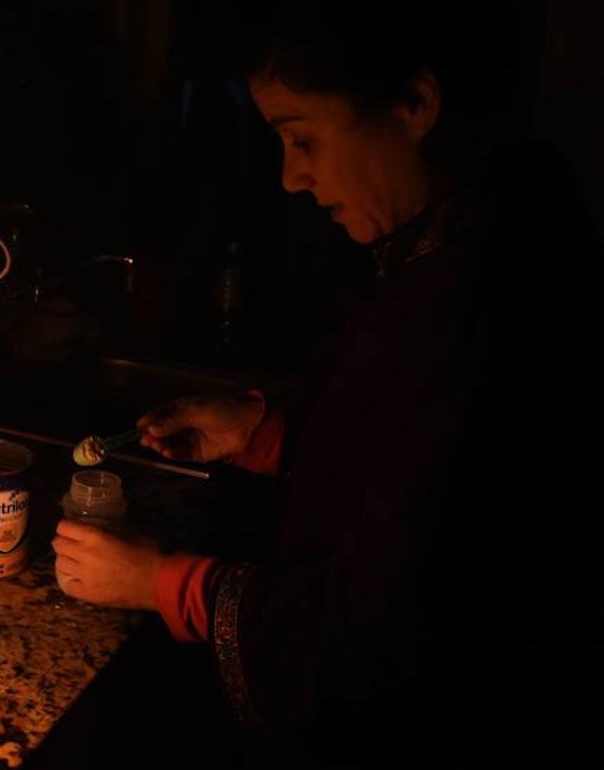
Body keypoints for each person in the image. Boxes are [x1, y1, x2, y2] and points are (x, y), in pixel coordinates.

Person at [52, 2, 602, 767]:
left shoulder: (485, 299)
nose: (291, 178)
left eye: (302, 139)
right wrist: (267, 432)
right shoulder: (456, 242)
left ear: (415, 104)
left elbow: (380, 636)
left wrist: (159, 582)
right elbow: (396, 455)